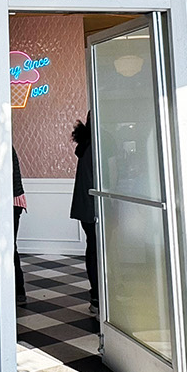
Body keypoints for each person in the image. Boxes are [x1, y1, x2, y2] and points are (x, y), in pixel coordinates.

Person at [69, 116, 99, 314]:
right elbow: (111, 175)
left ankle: (96, 296)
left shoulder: (86, 144)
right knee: (99, 251)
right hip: (95, 206)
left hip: (84, 206)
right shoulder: (100, 144)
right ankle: (100, 295)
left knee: (93, 249)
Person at [12, 147, 27, 304]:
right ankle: (18, 290)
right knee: (10, 247)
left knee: (9, 247)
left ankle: (18, 290)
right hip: (14, 200)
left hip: (10, 201)